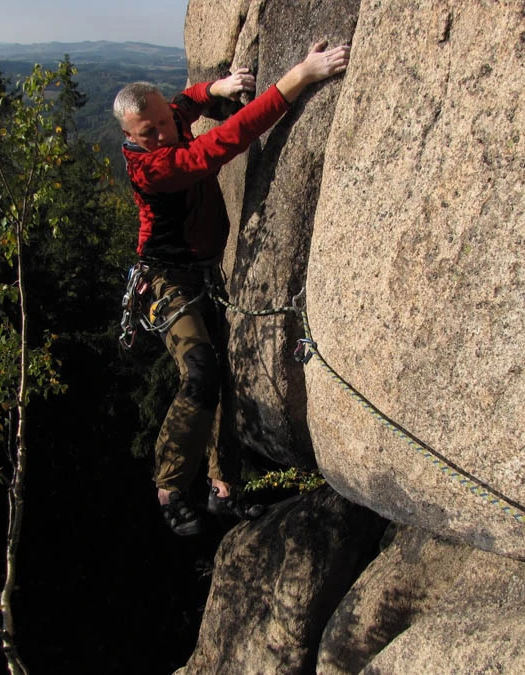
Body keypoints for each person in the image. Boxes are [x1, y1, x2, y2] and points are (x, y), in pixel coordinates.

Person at [113, 40, 350, 536]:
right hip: (164, 280)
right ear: (129, 136)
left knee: (225, 377)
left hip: (202, 273)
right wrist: (300, 76)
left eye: (161, 121)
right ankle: (170, 488)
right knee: (200, 370)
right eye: (148, 131)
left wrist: (214, 87)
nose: (163, 132)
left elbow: (187, 102)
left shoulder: (167, 118)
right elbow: (226, 140)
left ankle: (224, 490)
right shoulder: (152, 168)